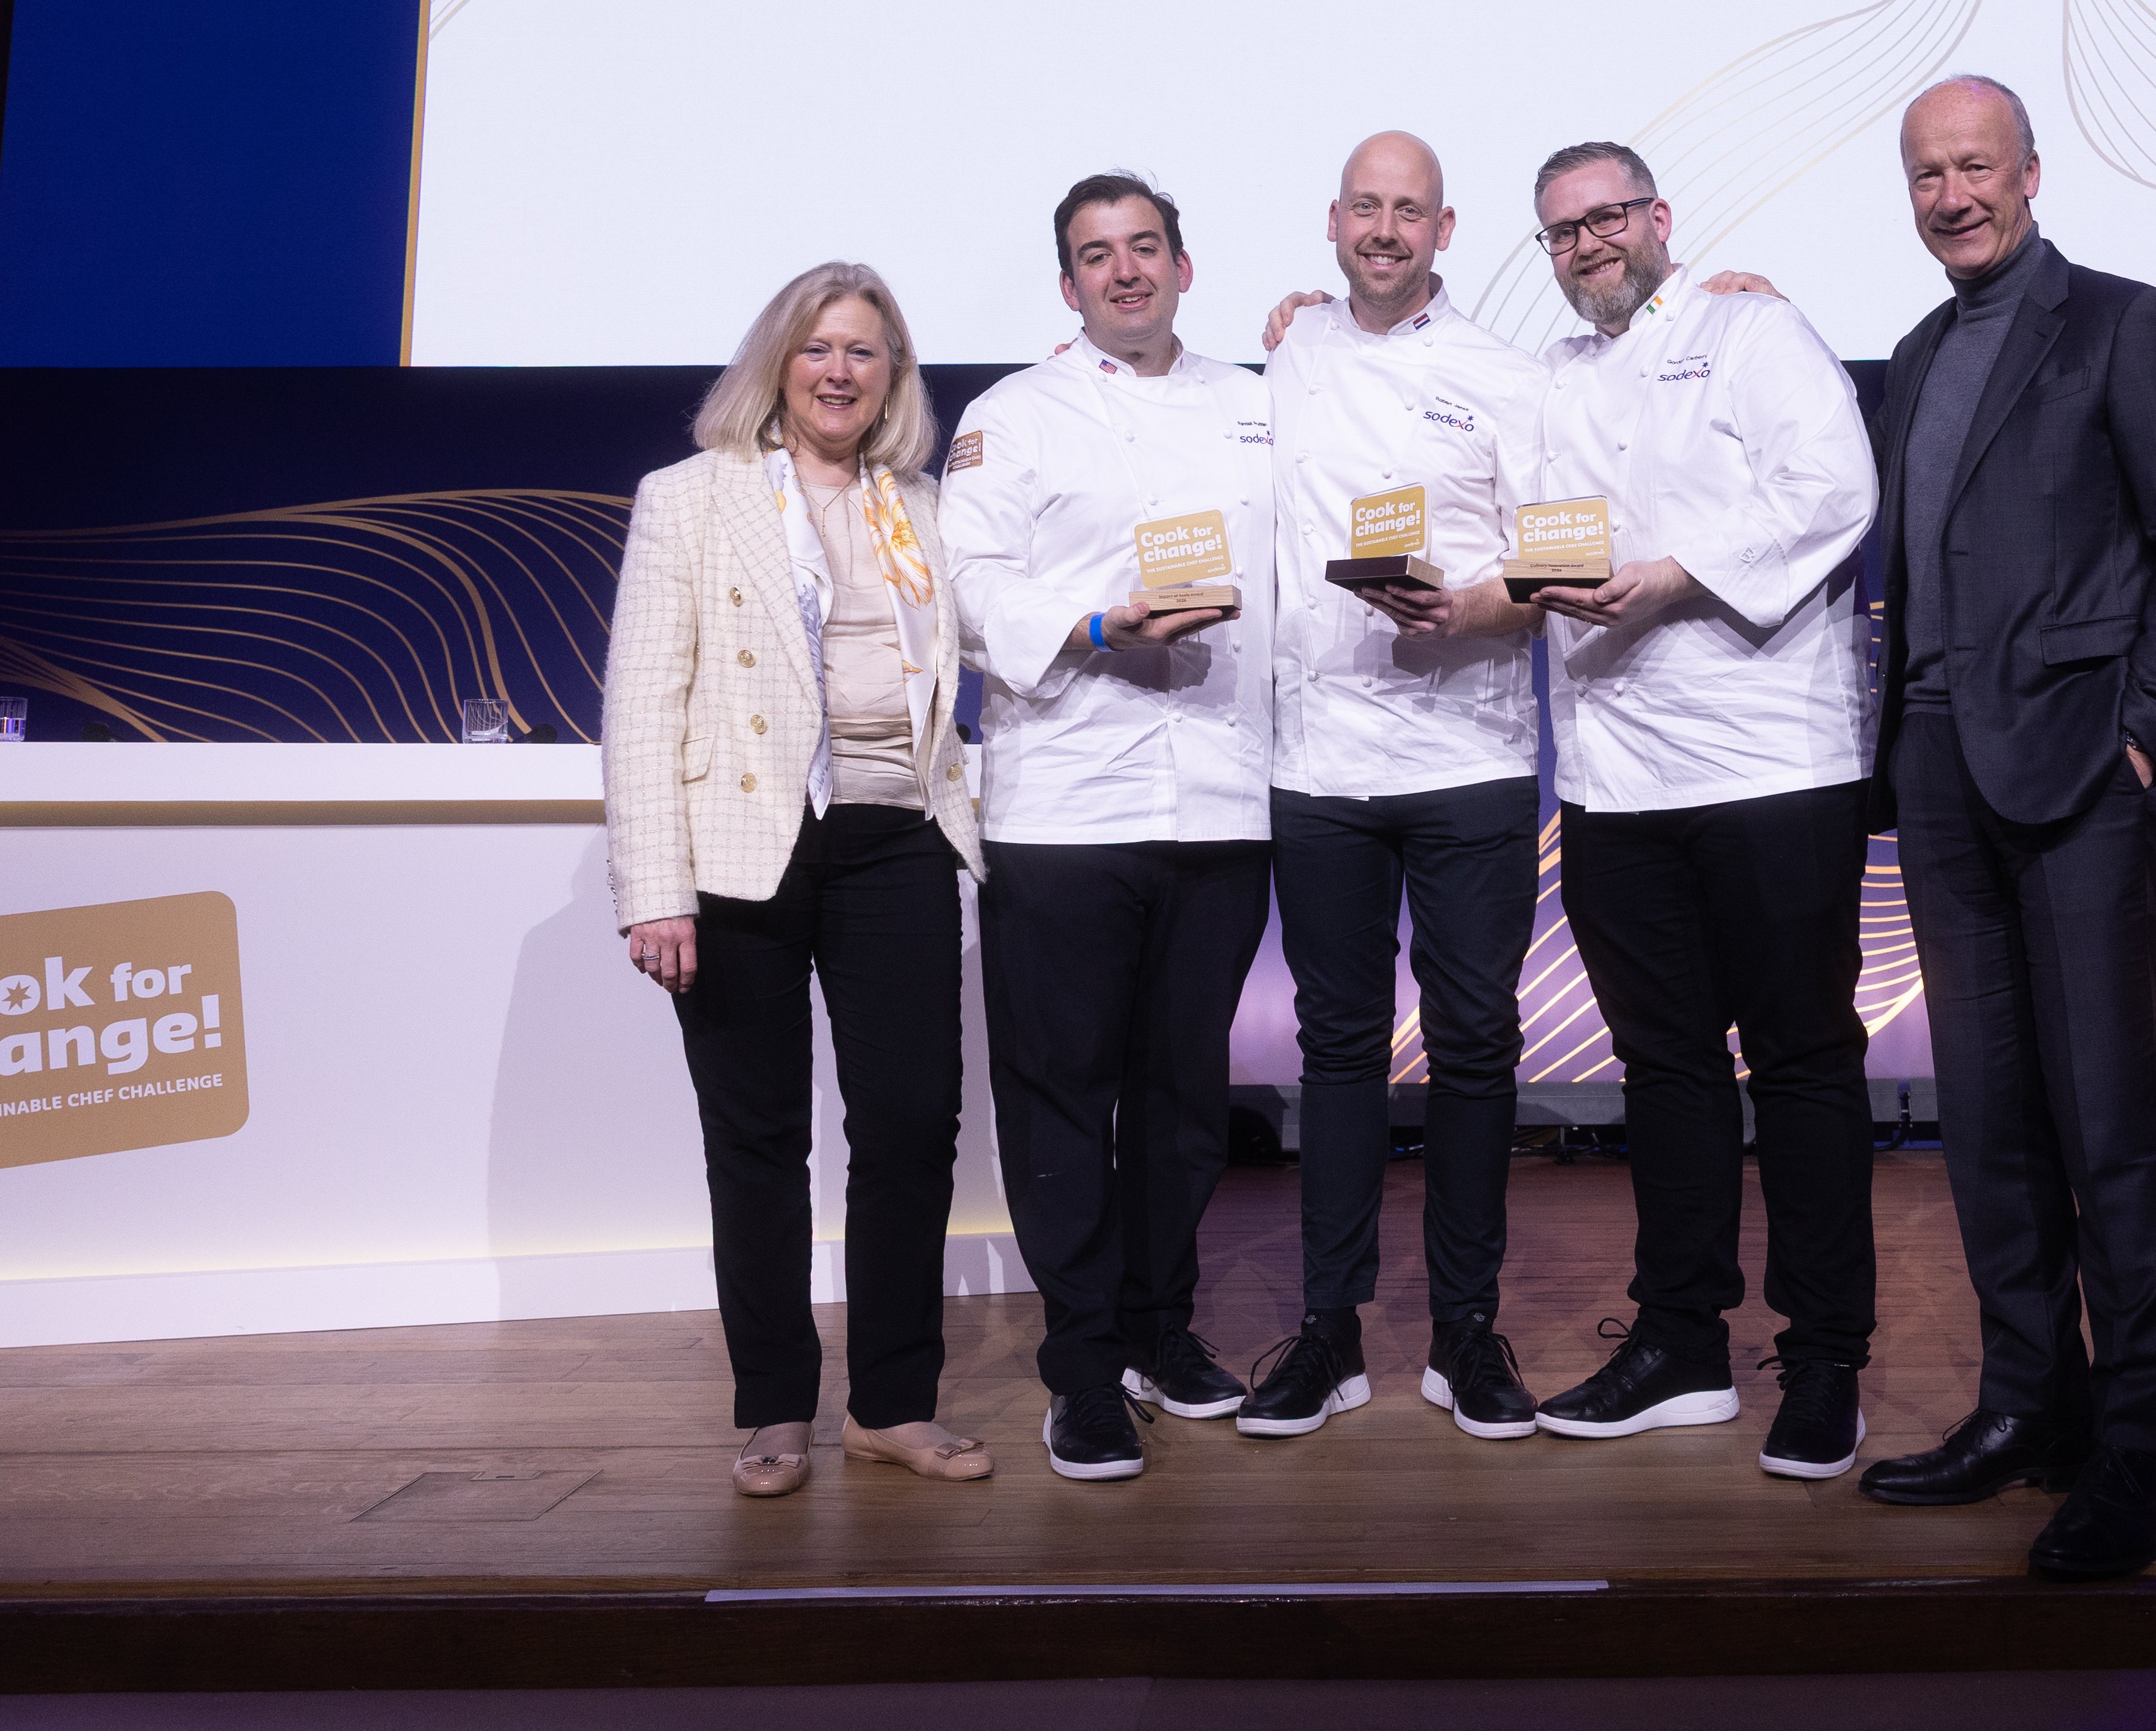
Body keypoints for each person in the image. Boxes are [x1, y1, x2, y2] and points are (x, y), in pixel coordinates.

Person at [1850, 76, 2156, 1583]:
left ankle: (2142, 1453)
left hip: (2083, 775)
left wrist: (2143, 732)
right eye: (1927, 174)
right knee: (1990, 1122)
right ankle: (2034, 1406)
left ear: (2029, 170)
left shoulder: (2125, 322)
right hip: (1939, 771)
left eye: (1974, 166)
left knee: (2110, 1124)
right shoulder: (1913, 352)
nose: (1952, 195)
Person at [1514, 140, 1883, 1481]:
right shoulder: (1552, 377)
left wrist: (1675, 576)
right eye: (1562, 232)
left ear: (1658, 216)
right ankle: (1681, 1340)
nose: (1588, 246)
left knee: (1801, 1061)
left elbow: (1834, 492)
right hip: (1616, 778)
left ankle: (1825, 1354)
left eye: (1606, 217)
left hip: (1772, 763)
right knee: (1663, 1067)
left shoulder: (1754, 328)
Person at [602, 263, 992, 1498]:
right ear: (778, 361)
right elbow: (641, 704)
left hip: (897, 838)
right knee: (757, 1139)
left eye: (864, 351)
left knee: (910, 1127)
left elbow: (985, 644)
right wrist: (653, 887)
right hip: (740, 853)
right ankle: (775, 1407)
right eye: (819, 347)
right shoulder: (689, 497)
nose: (839, 370)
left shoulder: (923, 506)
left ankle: (891, 1405)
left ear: (893, 375)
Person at [942, 172, 1277, 1484]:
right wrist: (1094, 624)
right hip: (1066, 806)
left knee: (1187, 1097)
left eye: (1146, 247)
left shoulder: (1257, 404)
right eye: (1098, 254)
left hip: (1222, 801)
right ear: (1068, 284)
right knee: (1063, 1097)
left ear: (1185, 267)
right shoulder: (1011, 416)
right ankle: (1083, 1364)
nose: (1125, 270)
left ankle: (1160, 1329)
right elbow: (969, 588)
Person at [1232, 132, 1549, 1442]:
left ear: (1445, 229)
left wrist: (1475, 605)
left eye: (1408, 209)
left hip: (1471, 754)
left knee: (1476, 1043)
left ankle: (1466, 1329)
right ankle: (1332, 1330)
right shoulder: (1286, 355)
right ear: (1332, 220)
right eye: (1365, 206)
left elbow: (1554, 559)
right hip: (1320, 763)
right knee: (1339, 1047)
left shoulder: (1506, 374)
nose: (1384, 228)